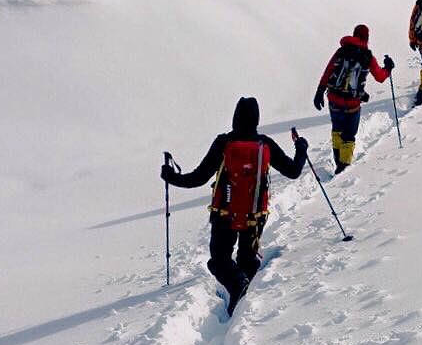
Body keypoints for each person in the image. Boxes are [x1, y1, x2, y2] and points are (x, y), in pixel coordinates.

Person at [160, 97, 307, 315]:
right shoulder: (265, 143)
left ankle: (237, 287)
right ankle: (242, 304)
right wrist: (301, 147)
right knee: (247, 259)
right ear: (256, 119)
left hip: (224, 215)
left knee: (219, 261)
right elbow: (294, 171)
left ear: (235, 117)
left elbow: (198, 178)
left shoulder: (223, 143)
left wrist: (171, 177)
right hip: (255, 216)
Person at [313, 24, 394, 174]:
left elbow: (328, 71)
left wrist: (320, 91)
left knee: (337, 129)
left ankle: (338, 159)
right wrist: (388, 69)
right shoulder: (368, 57)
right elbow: (380, 77)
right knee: (349, 135)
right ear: (367, 38)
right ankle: (343, 167)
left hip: (334, 99)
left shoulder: (341, 51)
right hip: (352, 103)